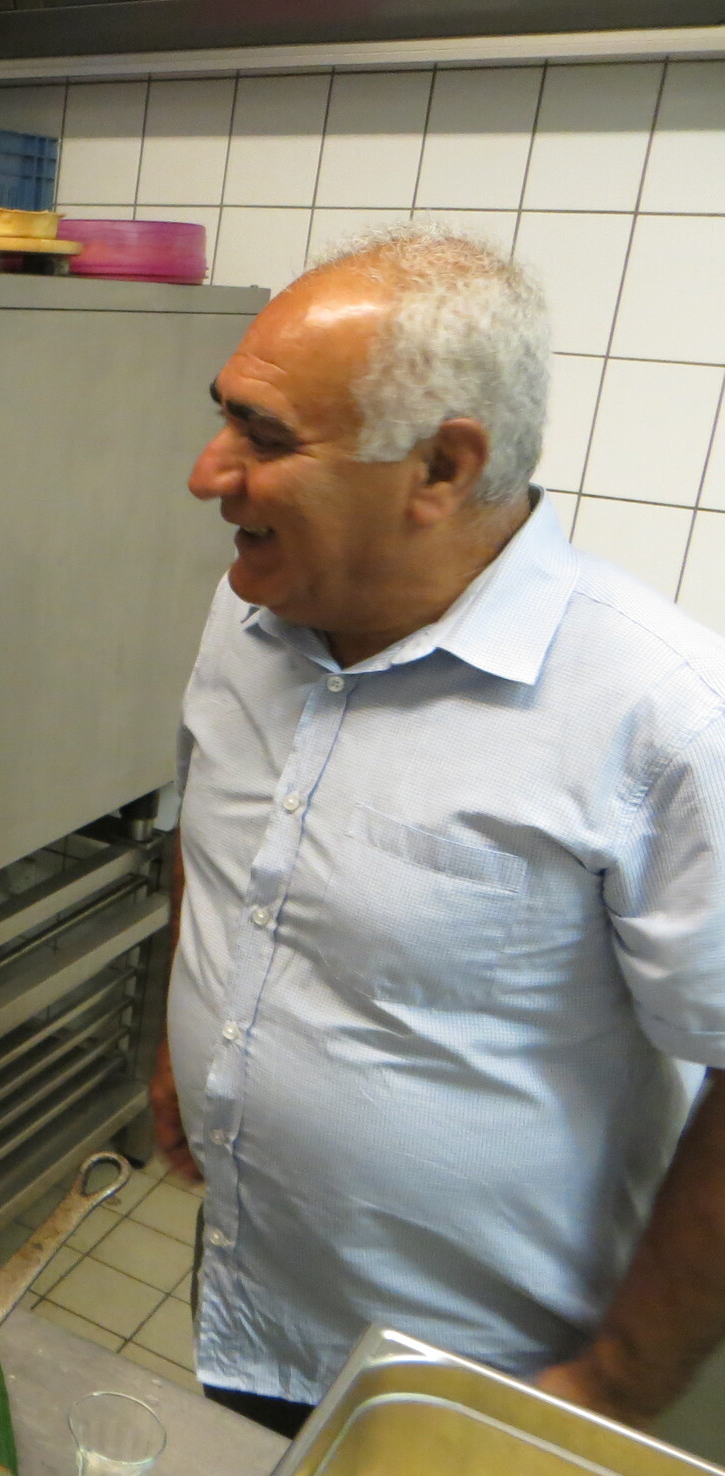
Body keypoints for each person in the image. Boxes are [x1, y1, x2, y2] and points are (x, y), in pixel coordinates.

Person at [153, 223, 725, 1437]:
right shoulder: (249, 612)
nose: (206, 474)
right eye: (221, 420)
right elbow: (212, 843)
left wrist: (610, 1387)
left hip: (485, 1381)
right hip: (251, 1292)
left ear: (441, 467)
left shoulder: (661, 715)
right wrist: (176, 1048)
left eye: (264, 437)